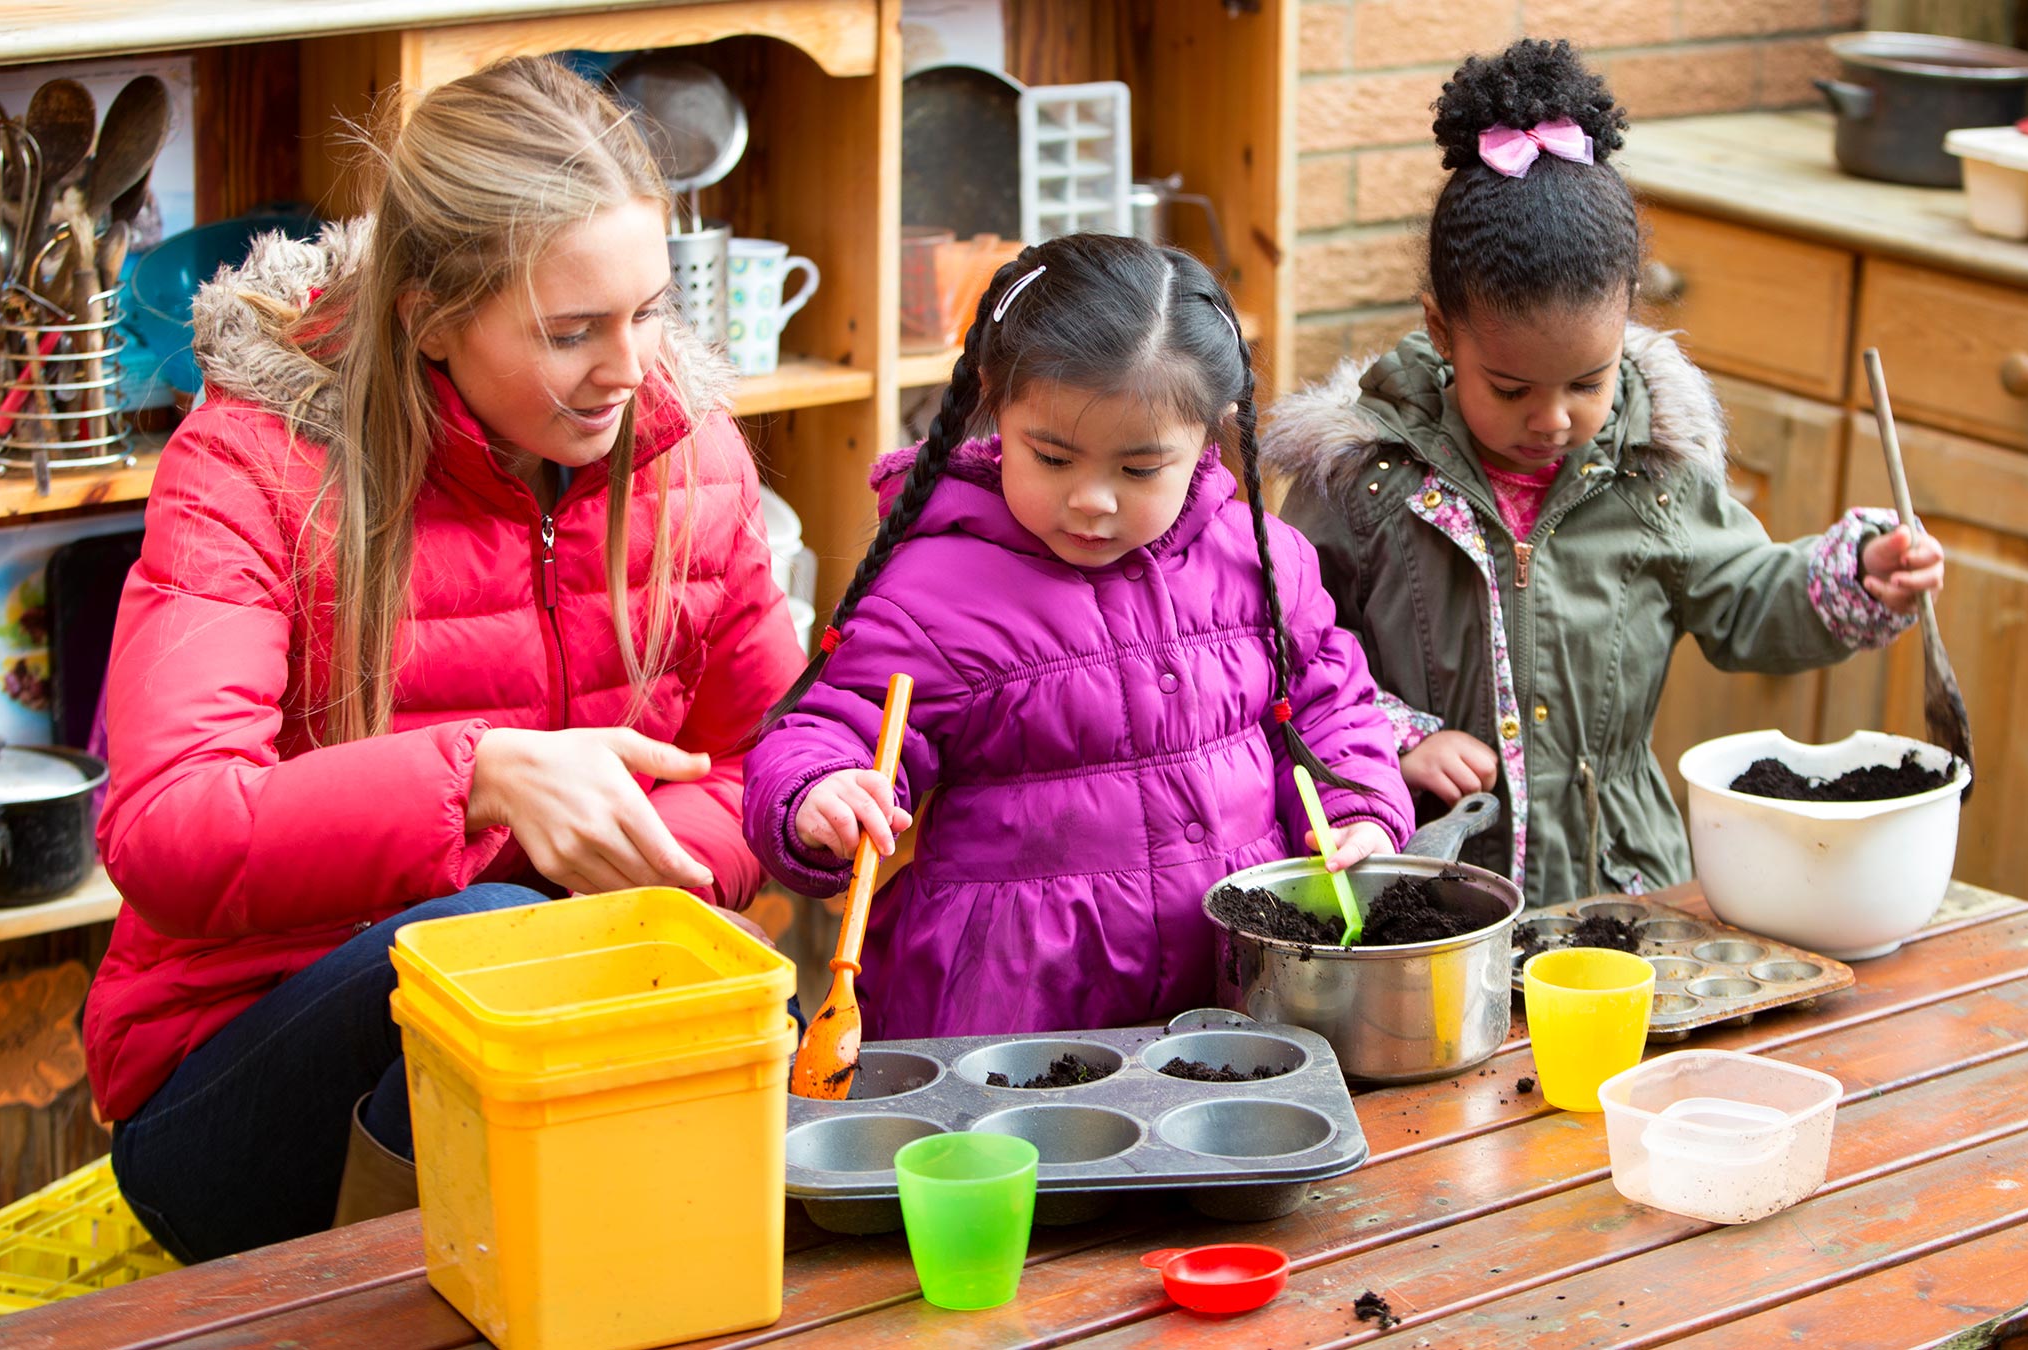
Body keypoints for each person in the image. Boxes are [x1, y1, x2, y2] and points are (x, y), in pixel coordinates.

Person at [86, 56, 800, 1262]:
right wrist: (478, 777)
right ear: (426, 315)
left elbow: (770, 757)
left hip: (570, 1030)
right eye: (572, 333)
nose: (630, 371)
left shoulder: (691, 454)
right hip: (239, 1086)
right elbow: (168, 828)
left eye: (650, 310)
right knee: (486, 937)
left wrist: (655, 865)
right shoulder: (251, 470)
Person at [1269, 38, 1947, 908]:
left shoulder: (1653, 474)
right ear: (1442, 334)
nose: (1552, 419)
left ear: (1626, 321)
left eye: (1588, 383)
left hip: (1620, 889)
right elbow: (1287, 652)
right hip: (1431, 891)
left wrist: (1857, 574)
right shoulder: (1364, 483)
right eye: (1510, 388)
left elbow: (1746, 594)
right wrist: (1396, 738)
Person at [745, 233, 1414, 1039]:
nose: (1092, 500)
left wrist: (1360, 811)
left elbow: (1329, 706)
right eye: (1054, 457)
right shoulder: (936, 590)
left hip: (1234, 986)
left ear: (1211, 434)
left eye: (1138, 470)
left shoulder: (1260, 564)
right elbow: (835, 723)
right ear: (997, 400)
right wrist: (820, 791)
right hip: (1008, 1009)